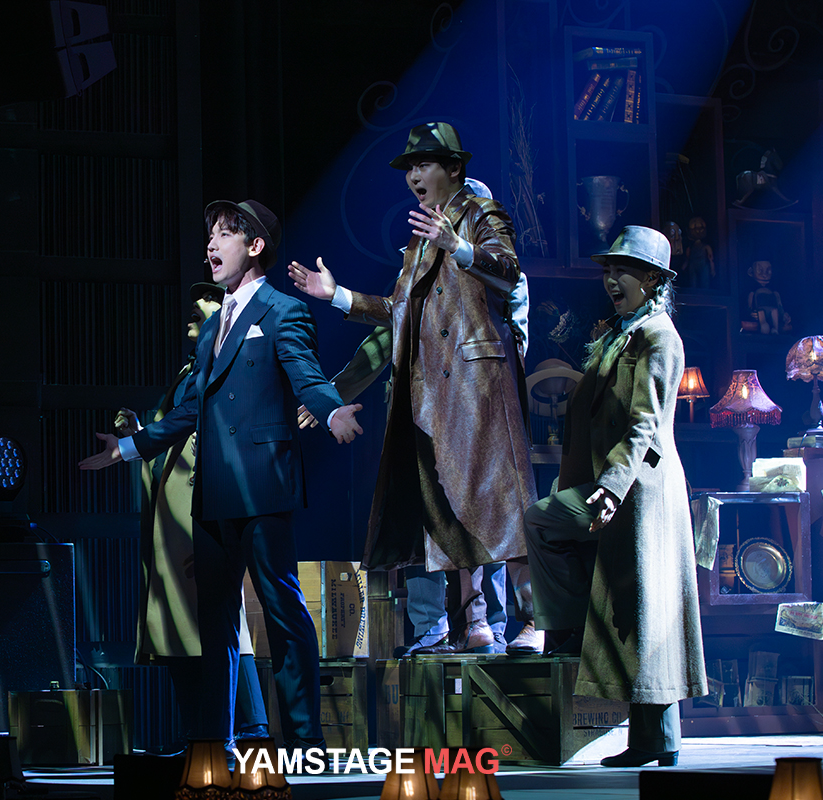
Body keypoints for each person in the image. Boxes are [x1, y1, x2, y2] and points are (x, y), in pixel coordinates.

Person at [80, 199, 363, 751]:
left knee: (283, 613)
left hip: (263, 486)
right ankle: (213, 744)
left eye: (224, 235)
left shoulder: (282, 310)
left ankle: (304, 744)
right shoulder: (213, 328)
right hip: (212, 495)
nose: (210, 245)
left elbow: (306, 376)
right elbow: (190, 408)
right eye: (209, 235)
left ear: (254, 247)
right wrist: (129, 449)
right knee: (215, 622)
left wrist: (332, 413)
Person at [288, 122, 537, 653]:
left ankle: (533, 622)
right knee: (448, 509)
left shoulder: (481, 213)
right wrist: (337, 295)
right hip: (435, 394)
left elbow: (509, 271)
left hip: (478, 386)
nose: (413, 177)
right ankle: (470, 624)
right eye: (409, 169)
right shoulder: (420, 240)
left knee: (501, 507)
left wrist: (458, 245)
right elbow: (399, 311)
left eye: (423, 165)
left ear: (454, 168)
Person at [522, 226, 705, 767]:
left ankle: (654, 737)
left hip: (640, 490)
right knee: (633, 610)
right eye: (607, 269)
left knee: (643, 613)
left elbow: (645, 423)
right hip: (614, 486)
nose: (611, 279)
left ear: (652, 280)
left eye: (622, 270)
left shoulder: (659, 336)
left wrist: (611, 487)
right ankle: (653, 737)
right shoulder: (619, 334)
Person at [115, 280, 268, 747]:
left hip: (199, 512)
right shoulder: (191, 368)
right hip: (174, 517)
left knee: (216, 622)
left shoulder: (228, 363)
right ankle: (201, 734)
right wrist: (140, 434)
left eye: (200, 311)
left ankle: (245, 729)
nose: (190, 320)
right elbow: (175, 434)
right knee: (179, 629)